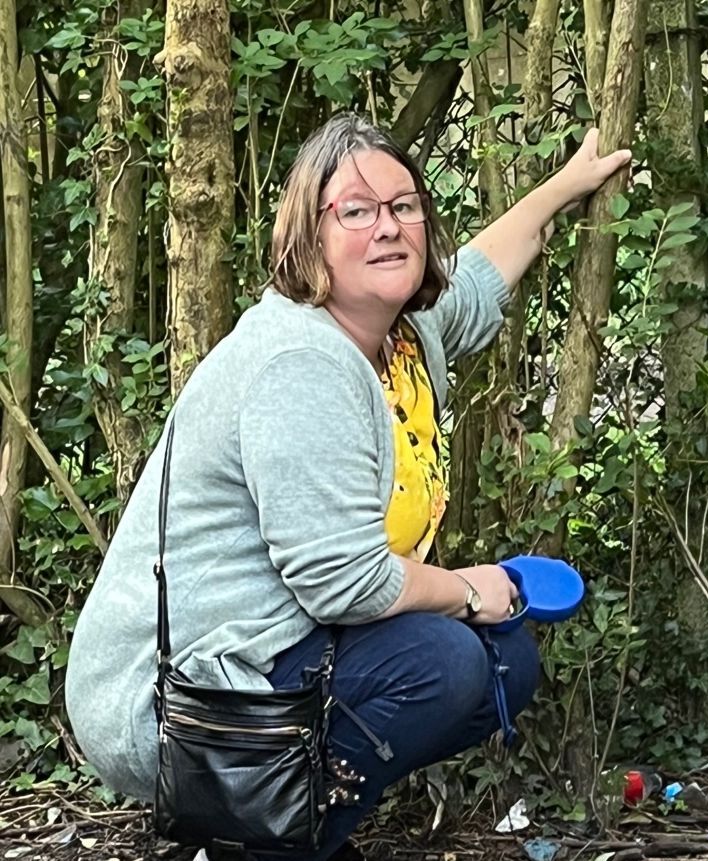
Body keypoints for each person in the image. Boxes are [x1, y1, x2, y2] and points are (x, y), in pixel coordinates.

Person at [65, 112, 631, 861]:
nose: (388, 227)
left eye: (404, 207)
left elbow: (483, 271)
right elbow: (345, 585)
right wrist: (470, 586)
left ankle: (280, 837)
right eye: (357, 212)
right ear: (310, 237)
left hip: (271, 652)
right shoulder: (303, 364)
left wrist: (567, 184)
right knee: (447, 659)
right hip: (174, 696)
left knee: (501, 661)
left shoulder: (400, 334)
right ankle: (260, 840)